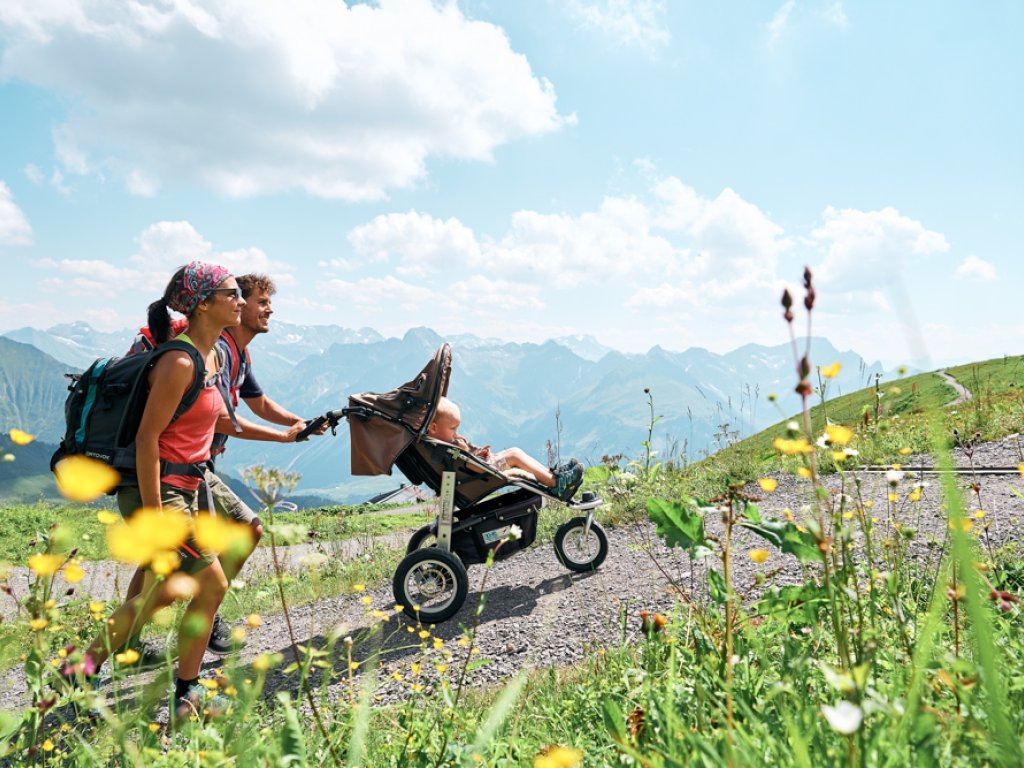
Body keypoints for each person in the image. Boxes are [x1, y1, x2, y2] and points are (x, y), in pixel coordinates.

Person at [76, 262, 245, 718]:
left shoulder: (212, 356)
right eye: (232, 293)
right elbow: (148, 439)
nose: (241, 301)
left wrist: (286, 433)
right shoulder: (179, 360)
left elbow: (216, 423)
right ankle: (187, 693)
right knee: (211, 583)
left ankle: (79, 671)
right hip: (160, 492)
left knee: (159, 594)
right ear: (204, 303)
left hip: (185, 486)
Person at [124, 272, 319, 658]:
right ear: (209, 304)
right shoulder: (209, 352)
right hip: (176, 470)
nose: (261, 308)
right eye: (252, 300)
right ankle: (94, 664)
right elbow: (224, 419)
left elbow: (257, 402)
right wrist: (283, 437)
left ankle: (193, 623)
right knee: (169, 574)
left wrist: (299, 424)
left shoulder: (232, 351)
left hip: (195, 468)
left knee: (242, 533)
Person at [425, 396, 584, 501]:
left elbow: (467, 463)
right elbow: (470, 467)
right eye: (452, 429)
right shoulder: (444, 449)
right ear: (433, 427)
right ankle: (555, 483)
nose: (456, 433)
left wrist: (478, 454)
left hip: (480, 468)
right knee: (514, 454)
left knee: (513, 451)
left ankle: (553, 476)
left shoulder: (439, 443)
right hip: (480, 475)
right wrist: (466, 452)